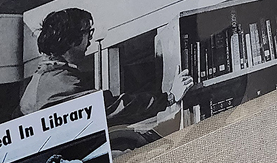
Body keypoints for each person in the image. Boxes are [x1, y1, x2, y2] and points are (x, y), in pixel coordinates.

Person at [20, 9, 193, 125]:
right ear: (71, 40)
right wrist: (169, 97)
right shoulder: (62, 84)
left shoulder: (43, 78)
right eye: (88, 33)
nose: (90, 41)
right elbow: (114, 107)